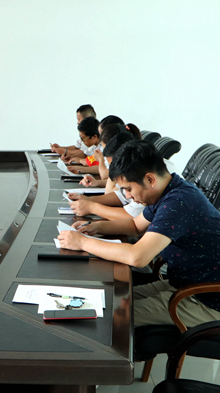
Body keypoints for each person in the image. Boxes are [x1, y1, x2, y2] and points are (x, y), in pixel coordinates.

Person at [58, 140, 220, 327]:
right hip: (184, 283)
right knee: (107, 300)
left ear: (150, 179)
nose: (127, 196)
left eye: (128, 189)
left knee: (110, 317)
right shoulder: (169, 191)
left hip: (205, 299)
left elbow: (138, 257)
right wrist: (97, 227)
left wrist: (83, 243)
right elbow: (136, 225)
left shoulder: (179, 202)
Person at [69, 132, 145, 220]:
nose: (111, 169)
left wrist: (92, 208)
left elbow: (132, 217)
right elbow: (121, 196)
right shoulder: (132, 172)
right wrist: (88, 199)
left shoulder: (141, 178)